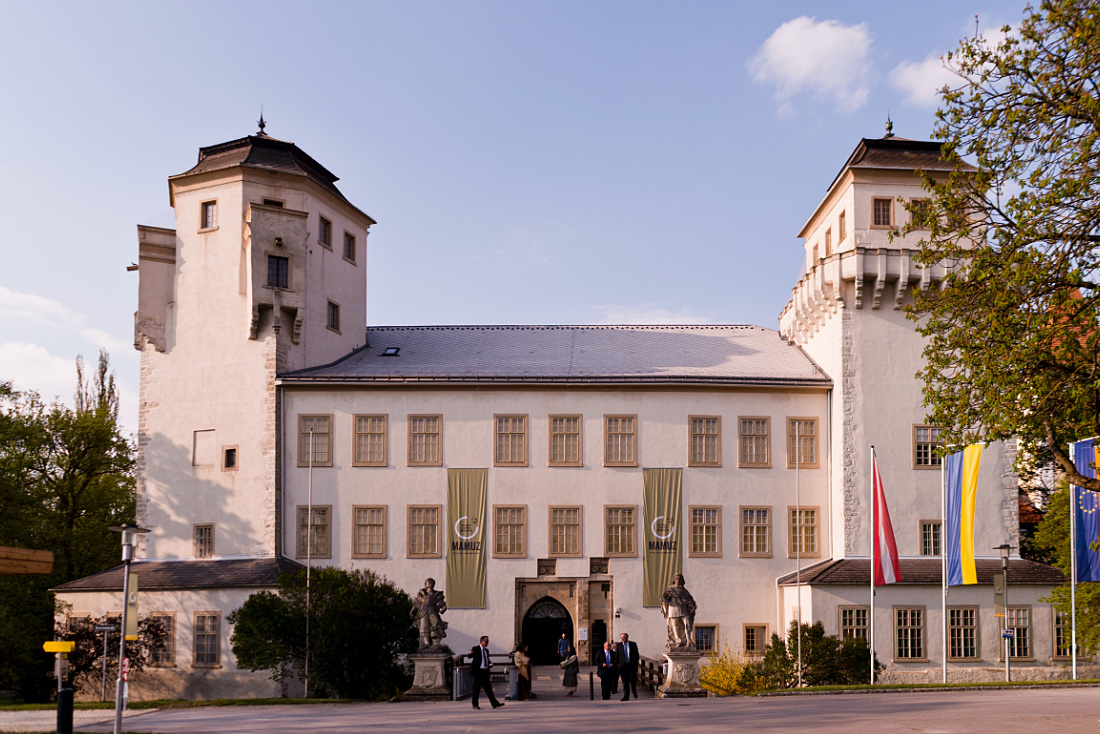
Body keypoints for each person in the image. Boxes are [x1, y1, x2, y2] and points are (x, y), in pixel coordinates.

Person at [467, 636, 504, 710]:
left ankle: (494, 703)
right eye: (486, 641)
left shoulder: (486, 650)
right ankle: (475, 704)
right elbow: (469, 656)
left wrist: (490, 664)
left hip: (485, 671)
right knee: (476, 689)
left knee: (489, 689)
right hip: (478, 672)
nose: (487, 643)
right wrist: (470, 653)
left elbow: (487, 659)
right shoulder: (476, 648)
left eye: (488, 642)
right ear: (481, 641)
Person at [661, 573, 697, 649]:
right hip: (673, 607)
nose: (678, 581)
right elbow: (664, 599)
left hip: (683, 608)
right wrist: (666, 599)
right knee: (674, 625)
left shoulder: (684, 590)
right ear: (674, 580)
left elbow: (689, 599)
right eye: (677, 579)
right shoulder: (670, 589)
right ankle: (677, 641)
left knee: (687, 623)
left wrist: (691, 605)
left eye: (679, 579)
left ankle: (688, 640)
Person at [410, 578, 448, 650]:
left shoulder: (436, 594)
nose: (430, 584)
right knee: (424, 627)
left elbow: (442, 604)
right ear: (426, 584)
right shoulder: (422, 594)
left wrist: (443, 608)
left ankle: (435, 644)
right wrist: (412, 611)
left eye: (432, 583)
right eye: (428, 583)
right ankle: (426, 643)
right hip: (423, 612)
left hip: (433, 611)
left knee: (436, 626)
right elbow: (417, 604)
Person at [616, 632, 640, 700]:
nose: (622, 639)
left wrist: (635, 664)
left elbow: (636, 655)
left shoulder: (633, 644)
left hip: (631, 666)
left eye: (623, 638)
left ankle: (634, 691)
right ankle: (626, 696)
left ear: (627, 638)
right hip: (623, 667)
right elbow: (617, 656)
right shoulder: (619, 645)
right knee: (625, 682)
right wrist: (618, 665)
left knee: (633, 681)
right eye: (621, 638)